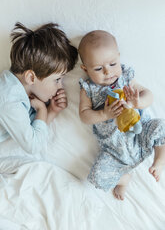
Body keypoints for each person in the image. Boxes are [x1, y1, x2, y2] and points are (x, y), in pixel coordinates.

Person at [78, 30, 165, 200]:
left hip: (142, 133)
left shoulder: (125, 77)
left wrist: (137, 103)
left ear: (119, 57)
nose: (107, 72)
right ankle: (123, 179)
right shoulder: (88, 89)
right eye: (98, 68)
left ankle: (159, 159)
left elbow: (149, 94)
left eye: (112, 64)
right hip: (114, 150)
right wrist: (104, 113)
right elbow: (84, 115)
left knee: (161, 126)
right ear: (85, 69)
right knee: (96, 177)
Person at [0, 22, 78, 172]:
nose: (60, 87)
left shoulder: (16, 89)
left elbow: (33, 131)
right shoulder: (9, 101)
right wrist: (43, 110)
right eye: (57, 80)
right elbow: (33, 145)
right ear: (31, 77)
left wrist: (52, 111)